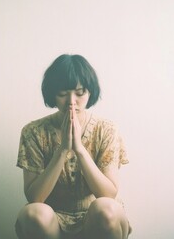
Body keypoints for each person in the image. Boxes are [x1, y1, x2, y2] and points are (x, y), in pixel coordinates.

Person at [15, 54, 131, 239]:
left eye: (79, 93)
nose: (71, 101)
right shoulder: (33, 132)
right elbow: (35, 198)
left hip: (96, 216)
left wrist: (79, 149)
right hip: (53, 219)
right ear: (52, 93)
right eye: (62, 93)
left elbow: (108, 194)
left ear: (90, 92)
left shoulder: (107, 129)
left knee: (106, 208)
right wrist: (62, 151)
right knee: (33, 213)